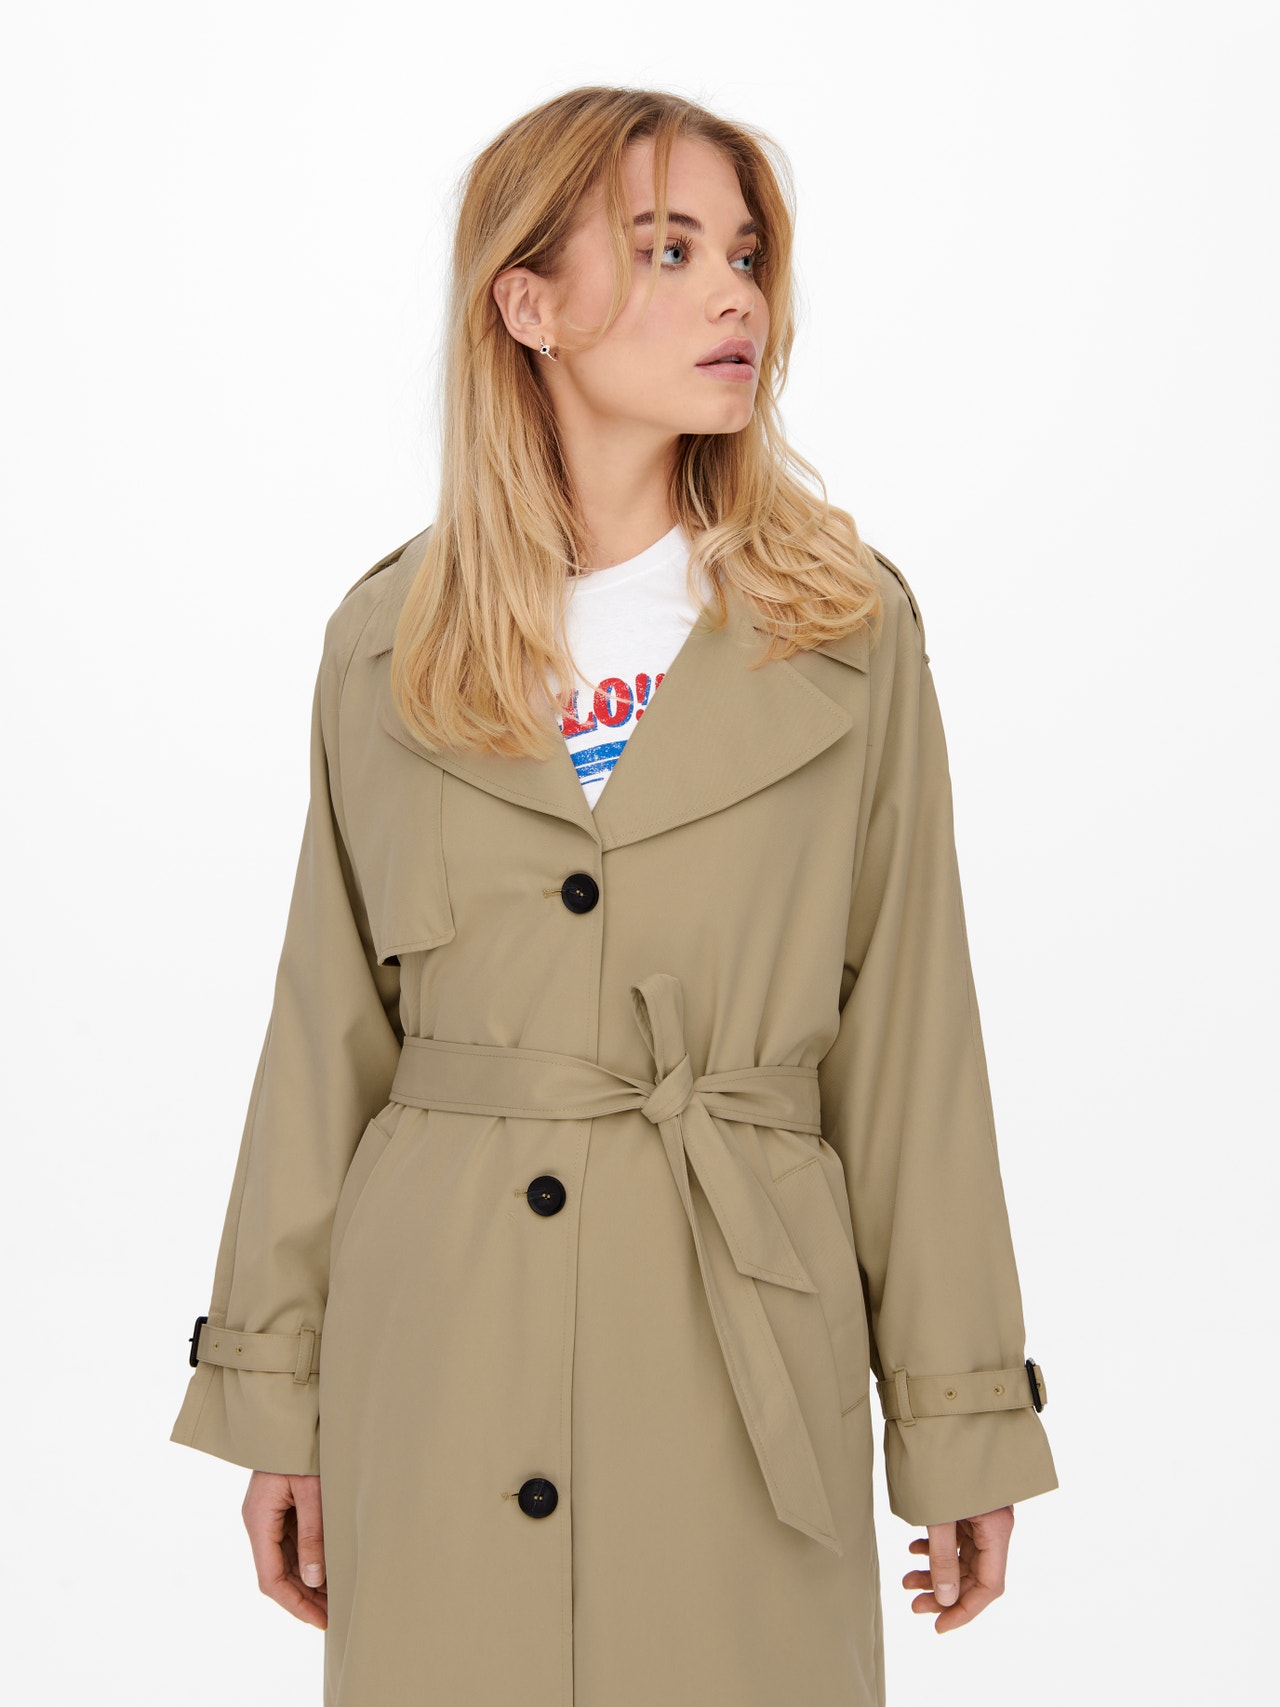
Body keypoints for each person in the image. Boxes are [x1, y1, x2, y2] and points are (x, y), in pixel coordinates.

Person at [170, 85, 1057, 1707]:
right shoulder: (389, 641)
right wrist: (270, 1396)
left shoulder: (845, 634)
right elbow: (324, 1036)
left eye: (746, 254)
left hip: (736, 1350)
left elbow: (913, 1047)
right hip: (438, 1355)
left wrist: (963, 1413)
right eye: (667, 250)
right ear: (528, 302)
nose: (735, 295)